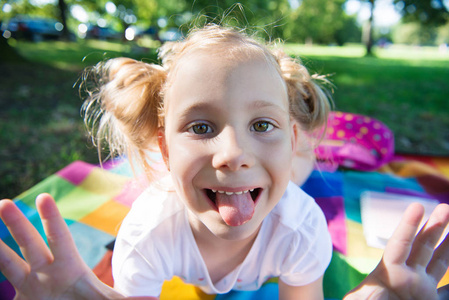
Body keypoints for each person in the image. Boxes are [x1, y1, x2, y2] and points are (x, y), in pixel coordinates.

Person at [0, 24, 448, 300]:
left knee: (302, 173)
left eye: (261, 124)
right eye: (201, 127)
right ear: (165, 148)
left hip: (290, 170)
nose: (232, 152)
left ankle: (310, 142)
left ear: (288, 136)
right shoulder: (145, 236)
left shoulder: (301, 227)